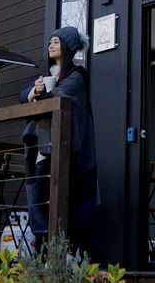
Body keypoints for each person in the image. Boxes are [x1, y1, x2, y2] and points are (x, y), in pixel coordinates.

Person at [21, 26, 98, 254]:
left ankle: (62, 256)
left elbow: (60, 98)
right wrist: (35, 92)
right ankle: (45, 253)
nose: (51, 45)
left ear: (67, 47)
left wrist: (41, 95)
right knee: (40, 195)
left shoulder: (77, 75)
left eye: (56, 42)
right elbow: (23, 95)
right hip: (44, 148)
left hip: (66, 153)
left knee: (61, 201)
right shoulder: (48, 75)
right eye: (50, 42)